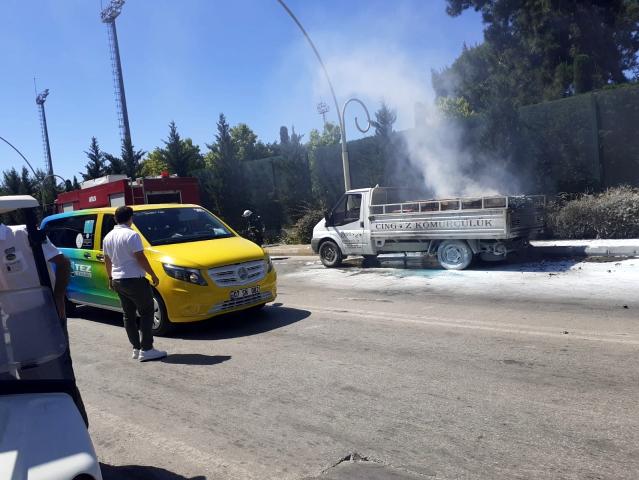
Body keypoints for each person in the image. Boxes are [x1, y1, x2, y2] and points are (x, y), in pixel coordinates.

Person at [0, 221, 89, 427]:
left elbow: (62, 262)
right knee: (26, 381)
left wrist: (58, 297)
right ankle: (46, 433)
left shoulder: (23, 234)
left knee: (57, 379)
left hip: (43, 317)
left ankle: (78, 432)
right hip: (14, 321)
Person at [102, 206, 167, 362]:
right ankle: (147, 349)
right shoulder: (132, 235)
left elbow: (107, 260)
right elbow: (140, 257)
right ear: (130, 218)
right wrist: (152, 274)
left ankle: (136, 348)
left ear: (115, 219)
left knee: (128, 315)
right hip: (134, 279)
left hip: (117, 279)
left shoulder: (108, 237)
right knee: (146, 312)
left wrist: (110, 278)